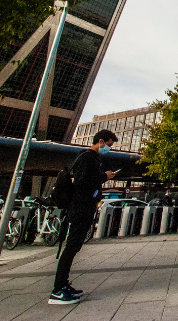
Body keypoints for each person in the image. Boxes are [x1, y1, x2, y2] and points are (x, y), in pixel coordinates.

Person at [49, 129, 117, 305]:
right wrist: (104, 176)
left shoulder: (90, 158)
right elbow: (81, 183)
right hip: (80, 208)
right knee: (72, 247)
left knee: (74, 246)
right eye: (108, 145)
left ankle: (63, 285)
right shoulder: (87, 158)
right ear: (100, 141)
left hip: (82, 208)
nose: (108, 148)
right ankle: (57, 290)